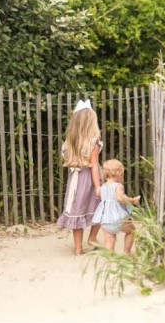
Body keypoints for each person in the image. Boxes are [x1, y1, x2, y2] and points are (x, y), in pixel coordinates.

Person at [55, 99, 103, 255]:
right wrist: (97, 187)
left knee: (77, 210)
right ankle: (92, 238)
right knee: (101, 207)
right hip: (90, 179)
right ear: (91, 123)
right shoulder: (93, 142)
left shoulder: (67, 143)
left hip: (75, 181)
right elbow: (94, 165)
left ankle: (78, 248)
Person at [92, 159, 141, 254]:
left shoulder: (103, 187)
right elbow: (120, 198)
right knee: (131, 231)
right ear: (120, 174)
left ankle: (110, 259)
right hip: (118, 219)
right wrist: (132, 200)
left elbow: (99, 195)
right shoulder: (118, 186)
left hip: (105, 220)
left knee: (109, 240)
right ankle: (127, 251)